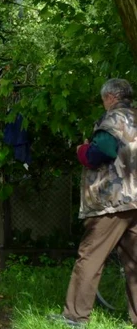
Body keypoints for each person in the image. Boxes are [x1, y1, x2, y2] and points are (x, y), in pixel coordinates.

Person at [52, 78, 137, 328]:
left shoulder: (112, 119)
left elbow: (100, 154)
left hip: (112, 202)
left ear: (110, 97)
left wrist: (82, 150)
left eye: (103, 99)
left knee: (90, 257)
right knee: (134, 261)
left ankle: (75, 317)